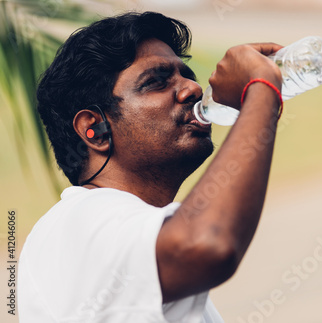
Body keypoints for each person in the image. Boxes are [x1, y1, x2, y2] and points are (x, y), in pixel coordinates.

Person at [18, 11, 284, 323]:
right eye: (156, 82)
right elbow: (210, 243)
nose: (192, 89)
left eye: (187, 75)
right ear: (95, 130)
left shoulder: (133, 228)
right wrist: (262, 88)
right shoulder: (80, 222)